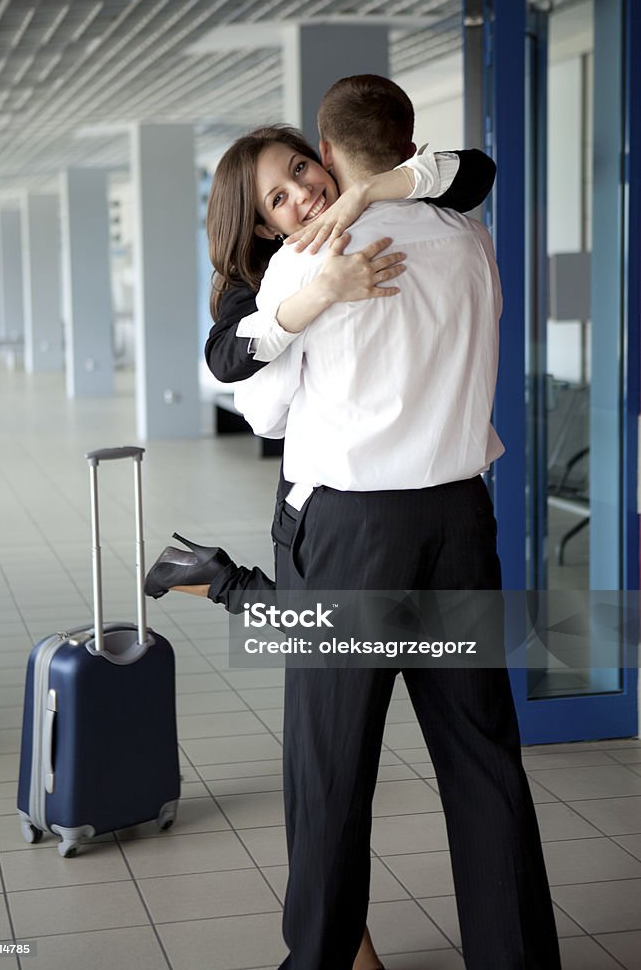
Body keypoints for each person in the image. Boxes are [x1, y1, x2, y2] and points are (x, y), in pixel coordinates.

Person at [144, 121, 500, 970]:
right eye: (278, 196)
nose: (301, 194)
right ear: (260, 223)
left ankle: (220, 584)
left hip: (355, 522)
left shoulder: (391, 215)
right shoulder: (270, 277)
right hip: (443, 514)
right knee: (458, 756)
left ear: (328, 156)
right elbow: (229, 360)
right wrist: (316, 295)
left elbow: (471, 169)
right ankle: (360, 949)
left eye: (301, 169)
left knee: (331, 756)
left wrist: (368, 197)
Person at [227, 74, 562, 970]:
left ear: (328, 157)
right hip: (458, 525)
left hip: (350, 542)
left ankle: (327, 960)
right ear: (408, 146)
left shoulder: (308, 259)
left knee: (332, 768)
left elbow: (261, 415)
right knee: (483, 760)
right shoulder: (467, 236)